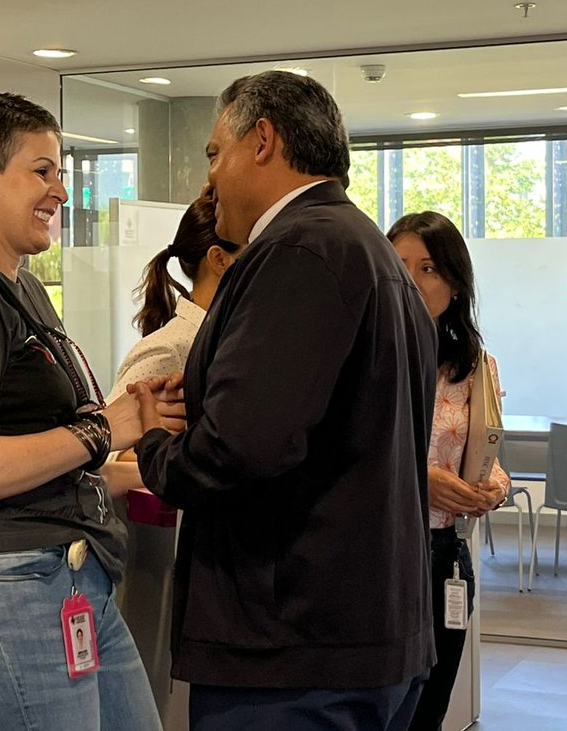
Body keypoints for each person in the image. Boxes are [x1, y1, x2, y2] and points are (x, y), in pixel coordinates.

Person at [133, 70, 438, 730]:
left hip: (295, 651)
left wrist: (156, 440)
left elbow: (239, 447)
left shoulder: (299, 249)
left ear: (263, 141)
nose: (209, 179)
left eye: (216, 153)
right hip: (362, 636)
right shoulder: (369, 251)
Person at [0, 92, 163, 731]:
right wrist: (102, 429)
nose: (61, 194)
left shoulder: (20, 289)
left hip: (68, 579)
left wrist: (128, 461)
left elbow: (37, 452)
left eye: (61, 175)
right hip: (8, 588)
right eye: (42, 172)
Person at [388, 211, 511, 731]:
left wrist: (492, 489)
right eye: (400, 267)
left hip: (445, 554)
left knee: (428, 713)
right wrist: (419, 477)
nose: (413, 282)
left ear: (456, 283)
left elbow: (492, 460)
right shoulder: (366, 354)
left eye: (429, 268)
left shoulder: (475, 365)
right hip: (383, 554)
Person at [108, 196, 239, 409]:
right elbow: (108, 434)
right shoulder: (167, 349)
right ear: (220, 260)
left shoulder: (223, 336)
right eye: (253, 251)